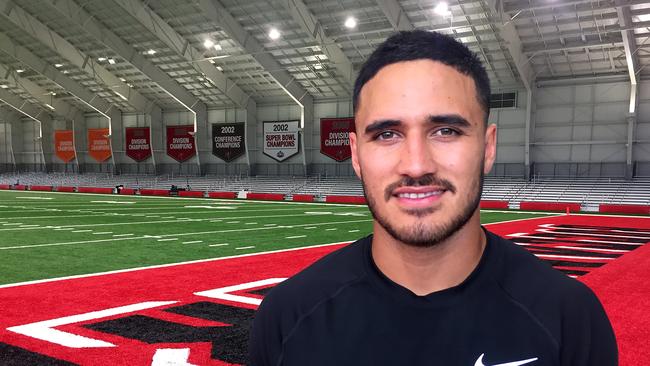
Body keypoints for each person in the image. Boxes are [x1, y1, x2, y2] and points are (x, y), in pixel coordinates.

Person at [248, 30, 617, 366]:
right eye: (387, 134)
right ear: (356, 155)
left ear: (487, 148)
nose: (415, 164)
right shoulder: (287, 315)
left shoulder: (569, 318)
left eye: (445, 130)